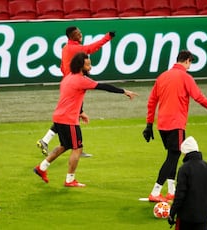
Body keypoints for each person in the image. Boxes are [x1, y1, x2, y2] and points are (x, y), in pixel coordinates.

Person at [34, 52, 138, 187]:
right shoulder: (81, 79)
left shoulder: (67, 78)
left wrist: (81, 112)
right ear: (80, 65)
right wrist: (124, 91)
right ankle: (70, 180)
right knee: (77, 148)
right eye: (88, 64)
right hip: (68, 119)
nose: (90, 66)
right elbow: (103, 86)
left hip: (59, 117)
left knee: (65, 146)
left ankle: (41, 168)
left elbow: (72, 97)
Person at [142, 50, 207, 202]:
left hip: (162, 124)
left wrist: (149, 124)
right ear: (187, 60)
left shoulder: (162, 76)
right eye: (190, 62)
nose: (190, 65)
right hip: (176, 123)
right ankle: (156, 191)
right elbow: (198, 96)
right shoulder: (185, 77)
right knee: (173, 157)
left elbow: (152, 101)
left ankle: (171, 191)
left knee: (173, 154)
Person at [37, 26, 115, 158]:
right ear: (71, 36)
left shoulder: (66, 48)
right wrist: (107, 38)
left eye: (80, 32)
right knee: (71, 115)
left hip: (68, 83)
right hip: (74, 85)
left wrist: (67, 77)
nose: (80, 34)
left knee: (68, 115)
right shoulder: (75, 48)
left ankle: (46, 140)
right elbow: (91, 48)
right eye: (77, 33)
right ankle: (76, 147)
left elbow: (62, 66)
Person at [168, 136, 207, 230]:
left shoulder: (184, 169)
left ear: (185, 153)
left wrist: (172, 213)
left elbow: (180, 195)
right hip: (203, 216)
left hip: (186, 217)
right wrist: (204, 205)